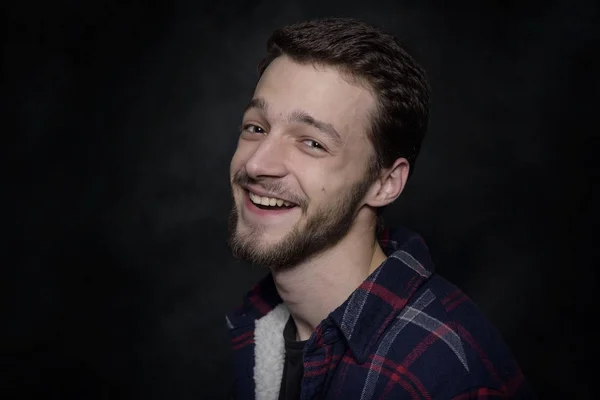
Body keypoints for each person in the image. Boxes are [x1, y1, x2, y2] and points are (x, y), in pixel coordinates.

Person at [225, 17, 534, 400]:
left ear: (385, 183)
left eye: (312, 143)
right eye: (256, 128)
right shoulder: (258, 325)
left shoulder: (446, 380)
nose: (256, 165)